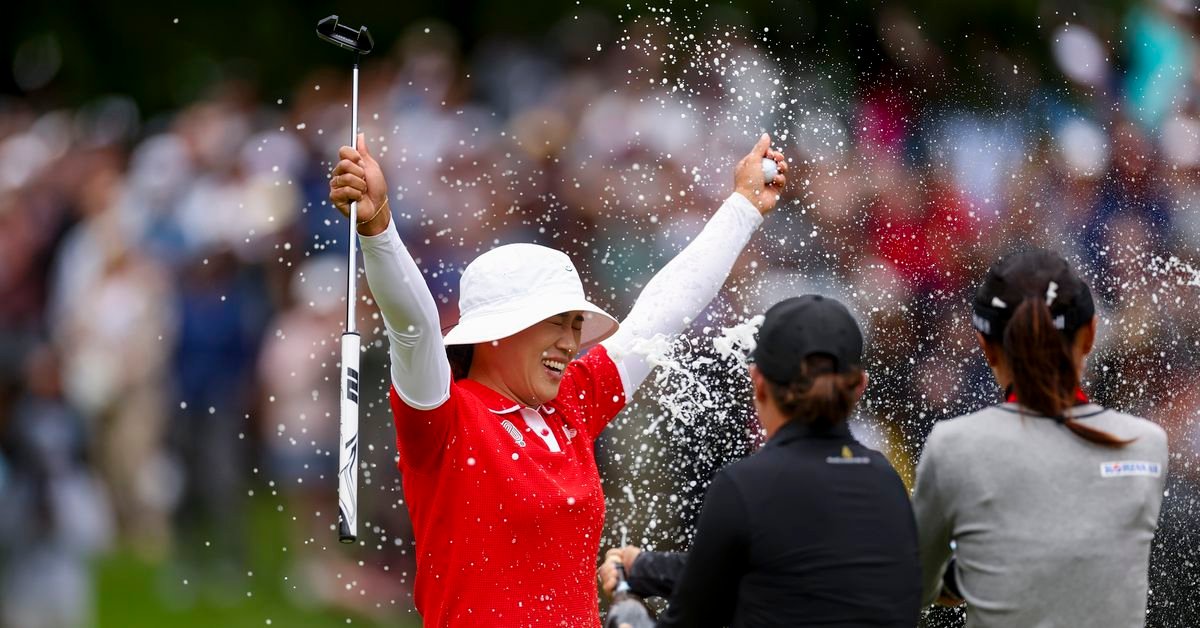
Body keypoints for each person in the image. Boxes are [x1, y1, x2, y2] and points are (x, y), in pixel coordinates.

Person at [328, 132, 788, 626]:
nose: (571, 343)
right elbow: (412, 328)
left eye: (574, 325)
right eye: (555, 323)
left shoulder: (573, 401)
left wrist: (742, 207)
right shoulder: (445, 417)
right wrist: (378, 229)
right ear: (497, 332)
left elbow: (660, 314)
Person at [598, 295, 922, 627]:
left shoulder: (745, 486)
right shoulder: (886, 481)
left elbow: (709, 604)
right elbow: (785, 577)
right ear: (860, 387)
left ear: (758, 383)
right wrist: (647, 568)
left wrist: (629, 615)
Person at [912, 248, 1169, 627]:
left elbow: (911, 584)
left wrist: (963, 575)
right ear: (1090, 335)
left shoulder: (953, 446)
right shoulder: (1147, 444)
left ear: (986, 349)